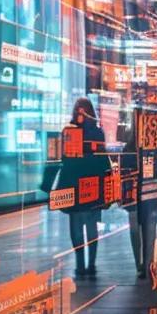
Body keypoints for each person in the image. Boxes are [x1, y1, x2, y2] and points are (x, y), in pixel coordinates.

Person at [50, 97, 108, 278]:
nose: (80, 113)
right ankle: (88, 264)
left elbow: (61, 160)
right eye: (78, 110)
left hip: (76, 184)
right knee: (90, 226)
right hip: (92, 185)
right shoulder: (96, 133)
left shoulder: (69, 132)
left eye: (82, 110)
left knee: (78, 227)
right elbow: (103, 160)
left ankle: (83, 264)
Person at [117, 119, 157, 278]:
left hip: (133, 196)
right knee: (149, 229)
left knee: (135, 230)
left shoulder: (129, 148)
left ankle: (140, 264)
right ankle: (148, 263)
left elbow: (123, 171)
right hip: (150, 195)